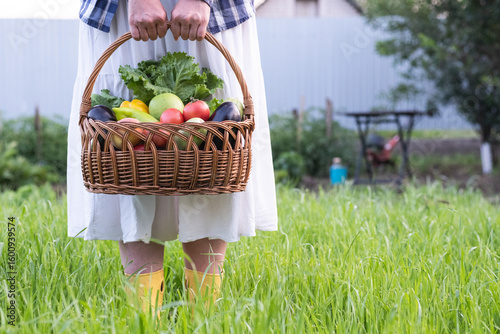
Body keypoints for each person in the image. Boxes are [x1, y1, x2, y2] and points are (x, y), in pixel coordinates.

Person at [67, 0, 278, 315]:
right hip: (126, 11)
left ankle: (203, 316)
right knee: (129, 155)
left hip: (212, 14)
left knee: (214, 146)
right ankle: (145, 318)